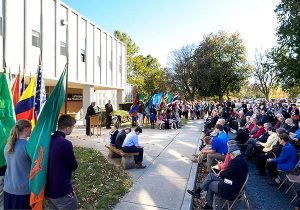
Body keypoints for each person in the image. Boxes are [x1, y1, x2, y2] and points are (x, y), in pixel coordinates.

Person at [187, 143, 248, 209]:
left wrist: (220, 173)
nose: (230, 156)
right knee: (210, 175)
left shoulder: (235, 162)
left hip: (231, 188)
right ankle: (198, 192)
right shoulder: (241, 159)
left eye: (230, 155)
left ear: (232, 154)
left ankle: (209, 205)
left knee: (210, 184)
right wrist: (221, 173)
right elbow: (229, 172)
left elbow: (225, 174)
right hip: (234, 182)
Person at [45, 115, 78, 209]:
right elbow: (74, 166)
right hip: (61, 189)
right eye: (72, 127)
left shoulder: (49, 139)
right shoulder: (65, 143)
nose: (72, 129)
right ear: (67, 128)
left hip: (48, 189)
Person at [3, 120, 32, 210]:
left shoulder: (8, 145)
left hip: (8, 188)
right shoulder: (28, 146)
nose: (31, 131)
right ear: (26, 129)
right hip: (23, 191)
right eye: (31, 129)